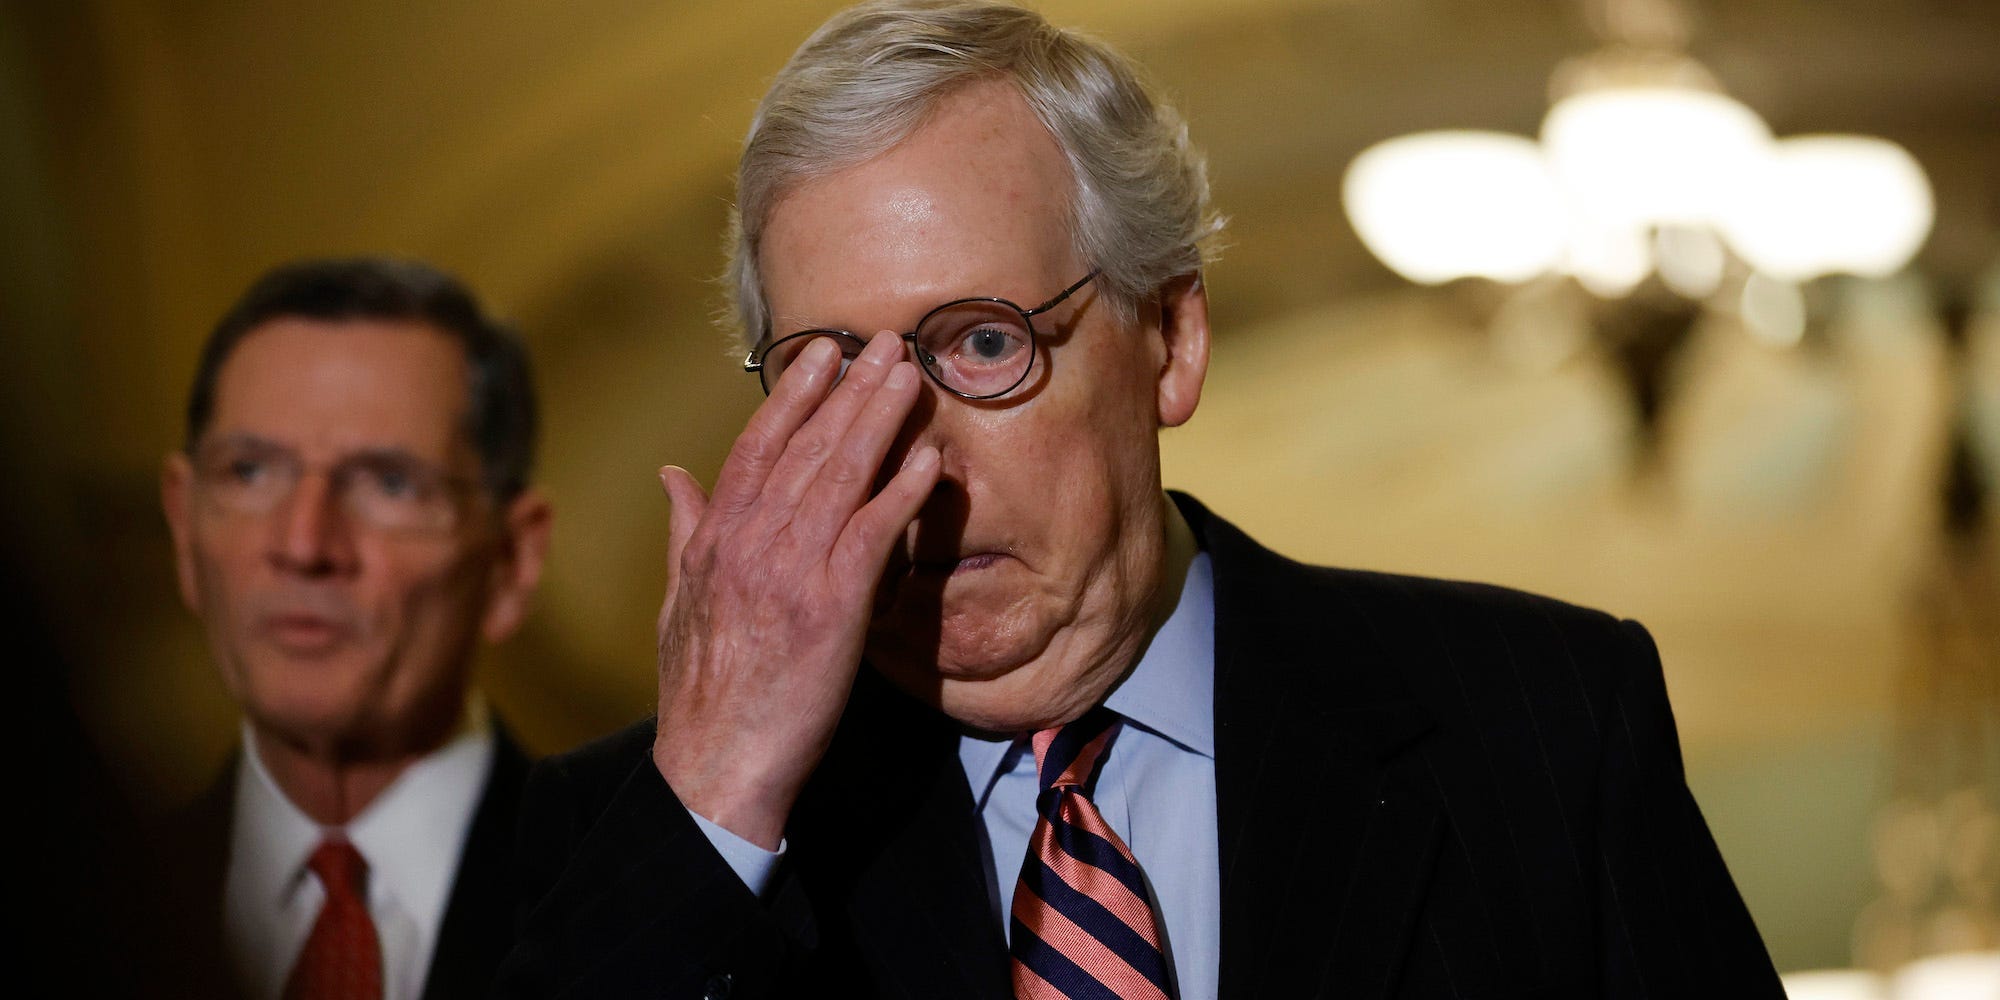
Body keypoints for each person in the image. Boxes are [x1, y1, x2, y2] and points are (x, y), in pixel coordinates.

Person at [497, 3, 1784, 997]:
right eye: (829, 374)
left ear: (1168, 342)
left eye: (984, 343)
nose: (910, 464)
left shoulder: (1544, 724)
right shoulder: (640, 827)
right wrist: (720, 791)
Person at [159, 257, 551, 1000]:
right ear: (183, 529)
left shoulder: (625, 900)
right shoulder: (85, 910)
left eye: (390, 483)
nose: (304, 545)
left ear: (511, 560)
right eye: (249, 473)